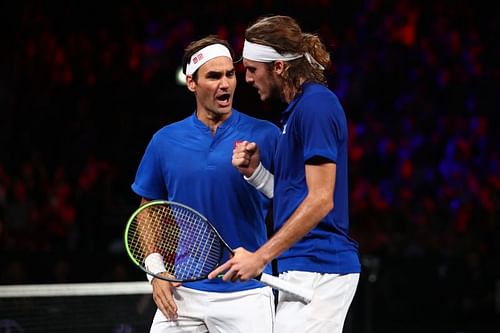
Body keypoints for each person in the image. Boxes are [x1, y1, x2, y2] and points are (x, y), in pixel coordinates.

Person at [209, 16, 361, 333]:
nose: (247, 78)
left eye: (252, 69)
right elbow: (296, 196)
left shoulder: (316, 106)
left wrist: (260, 257)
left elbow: (321, 201)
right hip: (302, 265)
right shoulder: (295, 113)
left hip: (322, 268)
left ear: (278, 67)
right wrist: (257, 175)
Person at [131, 35, 281, 333]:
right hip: (184, 292)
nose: (225, 84)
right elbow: (147, 211)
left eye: (229, 75)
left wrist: (259, 174)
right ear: (192, 83)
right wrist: (157, 271)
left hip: (247, 292)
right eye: (214, 76)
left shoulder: (267, 135)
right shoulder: (164, 141)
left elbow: (294, 199)